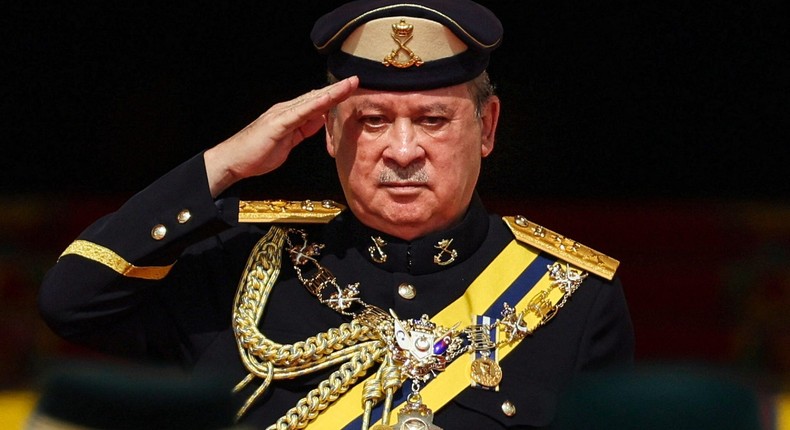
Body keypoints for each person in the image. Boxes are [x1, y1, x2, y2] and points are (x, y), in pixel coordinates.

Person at [38, 1, 634, 428]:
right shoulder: (247, 264)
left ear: (487, 128)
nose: (403, 151)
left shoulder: (572, 298)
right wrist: (221, 166)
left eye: (432, 120)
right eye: (372, 121)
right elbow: (74, 302)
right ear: (326, 131)